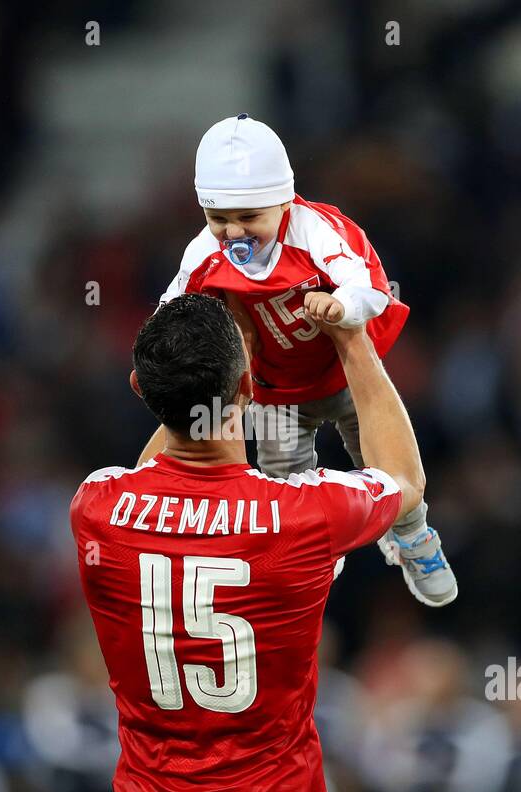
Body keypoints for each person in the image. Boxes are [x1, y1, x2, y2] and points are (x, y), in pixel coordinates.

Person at [70, 291, 426, 792]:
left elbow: (157, 478)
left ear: (140, 390)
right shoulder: (303, 515)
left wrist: (219, 366)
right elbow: (404, 481)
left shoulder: (96, 507)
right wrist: (352, 338)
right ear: (246, 389)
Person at [155, 113, 456, 607]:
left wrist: (341, 305)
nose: (233, 233)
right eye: (218, 218)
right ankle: (308, 564)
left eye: (248, 217)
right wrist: (157, 354)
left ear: (283, 198)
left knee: (385, 470)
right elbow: (173, 309)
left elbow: (372, 289)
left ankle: (415, 538)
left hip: (343, 378)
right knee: (281, 491)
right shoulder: (204, 250)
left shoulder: (316, 231)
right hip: (277, 393)